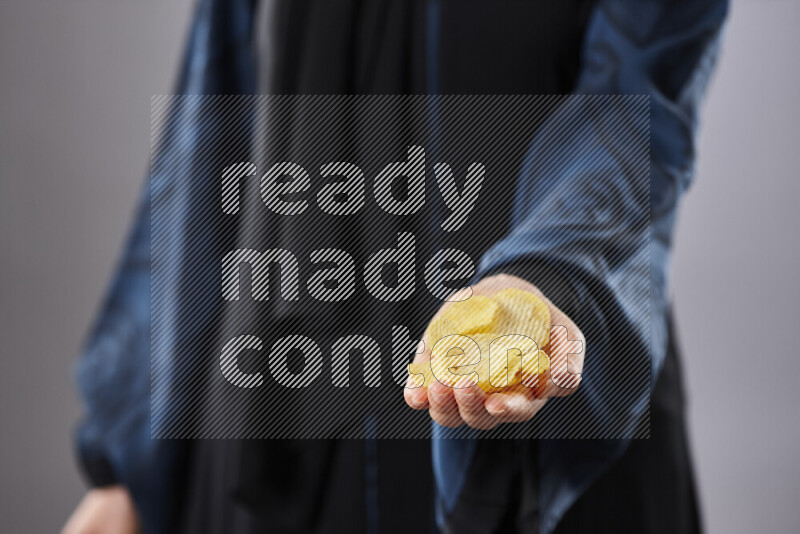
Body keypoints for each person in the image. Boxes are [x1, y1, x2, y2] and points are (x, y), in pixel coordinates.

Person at [63, 0, 728, 533]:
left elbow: (633, 111)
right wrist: (132, 463)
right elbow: (212, 125)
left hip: (536, 400)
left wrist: (538, 280)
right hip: (269, 429)